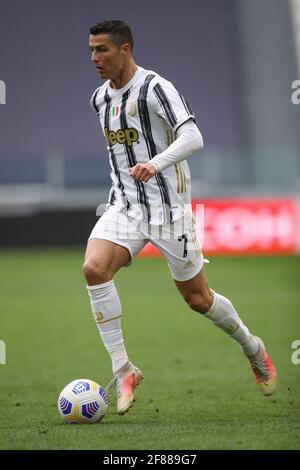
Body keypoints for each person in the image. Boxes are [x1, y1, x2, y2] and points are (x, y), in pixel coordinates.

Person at [83, 19, 277, 415]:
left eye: (101, 49)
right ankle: (124, 370)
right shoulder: (99, 99)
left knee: (197, 299)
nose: (94, 58)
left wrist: (155, 164)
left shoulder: (156, 88)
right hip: (124, 206)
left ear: (125, 49)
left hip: (170, 210)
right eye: (90, 50)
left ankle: (253, 348)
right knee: (93, 269)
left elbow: (194, 137)